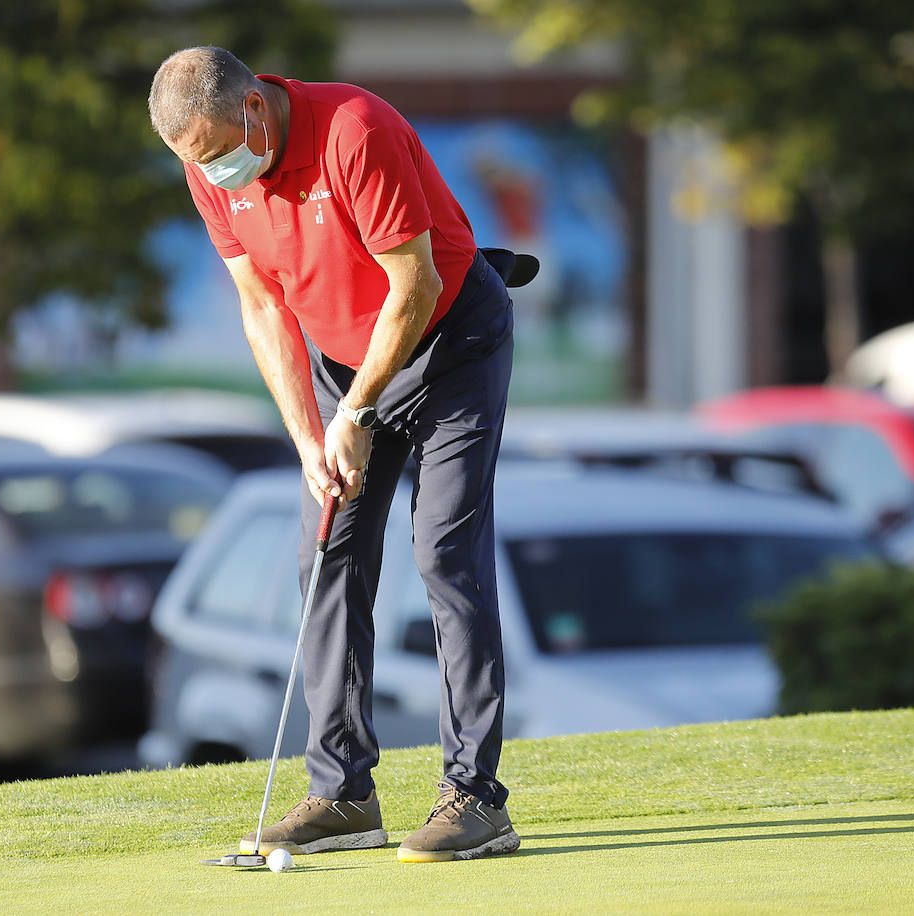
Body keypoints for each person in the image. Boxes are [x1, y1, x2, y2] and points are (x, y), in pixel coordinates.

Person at [148, 46, 523, 864]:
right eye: (194, 165)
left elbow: (413, 285)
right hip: (341, 361)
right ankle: (344, 794)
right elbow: (262, 307)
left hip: (451, 340)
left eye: (216, 155)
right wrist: (310, 439)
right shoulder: (208, 168)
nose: (215, 176)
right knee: (327, 555)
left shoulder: (355, 129)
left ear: (254, 108)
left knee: (445, 554)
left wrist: (356, 412)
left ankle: (475, 798)